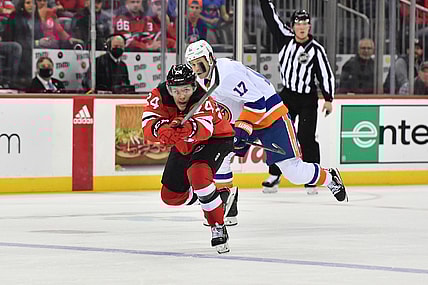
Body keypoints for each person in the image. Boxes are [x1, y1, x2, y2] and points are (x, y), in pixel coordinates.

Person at [185, 40, 347, 204]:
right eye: (192, 65)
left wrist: (241, 130)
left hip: (271, 116)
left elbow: (257, 101)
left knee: (293, 172)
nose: (196, 69)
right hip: (246, 117)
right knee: (222, 155)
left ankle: (329, 177)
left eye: (200, 63)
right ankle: (225, 202)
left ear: (210, 58)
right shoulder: (203, 80)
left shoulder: (227, 74)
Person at [141, 63, 238, 254]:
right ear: (169, 88)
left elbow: (205, 129)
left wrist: (184, 128)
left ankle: (217, 226)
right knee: (170, 197)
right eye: (176, 90)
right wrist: (160, 130)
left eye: (186, 89)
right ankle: (217, 198)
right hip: (184, 143)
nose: (181, 95)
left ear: (193, 86)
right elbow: (148, 122)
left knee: (199, 174)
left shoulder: (203, 97)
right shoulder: (158, 95)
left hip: (215, 139)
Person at [259, 3, 335, 195]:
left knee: (306, 137)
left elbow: (325, 74)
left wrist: (328, 98)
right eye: (298, 23)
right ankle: (274, 174)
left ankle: (313, 177)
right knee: (277, 135)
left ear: (309, 26)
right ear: (292, 26)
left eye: (305, 23)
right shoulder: (284, 39)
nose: (301, 27)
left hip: (308, 98)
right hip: (287, 96)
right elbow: (271, 17)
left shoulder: (316, 49)